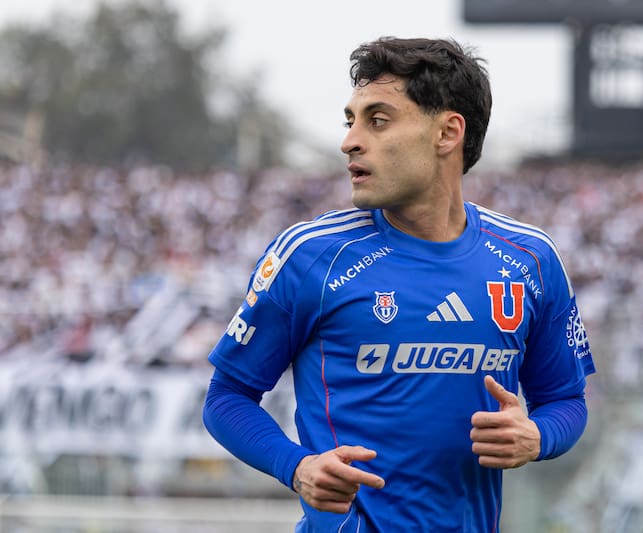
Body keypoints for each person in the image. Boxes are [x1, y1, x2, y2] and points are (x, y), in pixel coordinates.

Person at [203, 36, 596, 532]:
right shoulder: (310, 255)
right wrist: (297, 466)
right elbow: (226, 397)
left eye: (378, 120)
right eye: (351, 121)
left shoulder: (530, 259)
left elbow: (566, 400)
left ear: (447, 132)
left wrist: (538, 436)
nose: (349, 141)